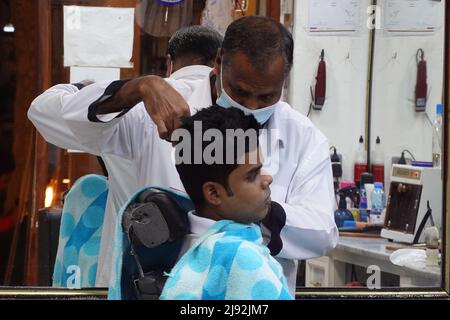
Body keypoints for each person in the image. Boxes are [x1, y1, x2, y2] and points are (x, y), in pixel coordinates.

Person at [29, 17, 338, 293]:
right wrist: (135, 89)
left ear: (284, 79)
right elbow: (44, 114)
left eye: (267, 96)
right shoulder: (152, 111)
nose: (252, 106)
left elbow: (322, 232)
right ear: (218, 62)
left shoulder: (303, 137)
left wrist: (241, 211)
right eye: (241, 92)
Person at [28, 25, 224, 287]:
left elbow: (42, 111)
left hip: (131, 279)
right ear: (219, 63)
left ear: (169, 64)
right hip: (210, 281)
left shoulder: (134, 105)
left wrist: (110, 89)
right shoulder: (241, 116)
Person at [160, 105, 292, 300]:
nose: (267, 179)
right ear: (213, 193)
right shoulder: (242, 256)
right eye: (252, 175)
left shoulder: (177, 245)